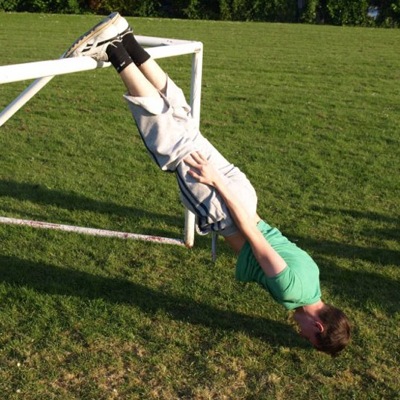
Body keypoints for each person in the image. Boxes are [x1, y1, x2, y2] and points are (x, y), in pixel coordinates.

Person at [65, 12, 351, 356]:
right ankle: (114, 50)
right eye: (307, 337)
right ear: (318, 327)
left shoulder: (314, 278)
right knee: (168, 141)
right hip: (225, 206)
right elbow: (253, 235)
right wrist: (215, 181)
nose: (300, 333)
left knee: (183, 122)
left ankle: (128, 41)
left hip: (243, 193)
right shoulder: (291, 293)